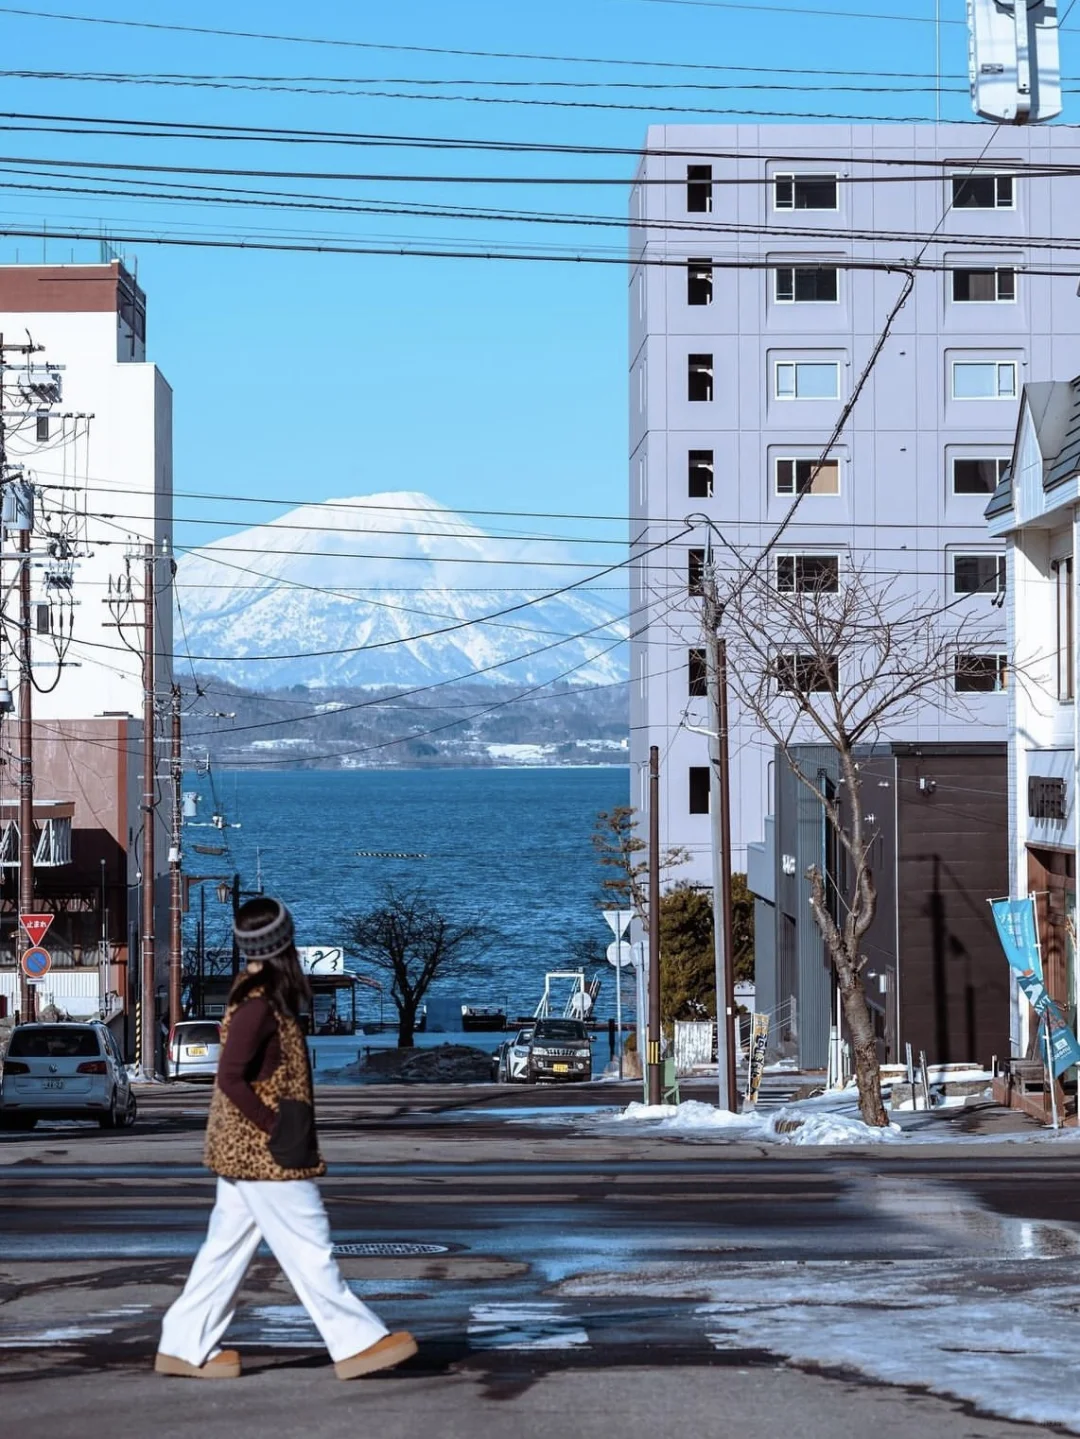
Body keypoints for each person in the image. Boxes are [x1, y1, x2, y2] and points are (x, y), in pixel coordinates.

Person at [155, 896, 416, 1381]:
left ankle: (184, 1344)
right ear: (284, 944)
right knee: (308, 1245)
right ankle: (357, 1341)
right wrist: (276, 1127)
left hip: (246, 1150)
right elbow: (230, 1077)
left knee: (223, 1253)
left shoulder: (258, 995)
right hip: (265, 1153)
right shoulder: (259, 1005)